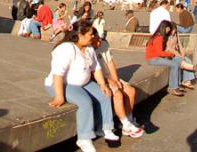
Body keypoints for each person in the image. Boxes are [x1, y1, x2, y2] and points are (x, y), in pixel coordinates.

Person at [44, 20, 119, 152]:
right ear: (80, 35)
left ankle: (105, 128)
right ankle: (84, 138)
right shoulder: (66, 49)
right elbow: (58, 75)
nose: (93, 37)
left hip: (83, 83)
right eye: (90, 34)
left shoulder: (89, 48)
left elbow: (96, 69)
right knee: (85, 102)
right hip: (63, 84)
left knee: (105, 94)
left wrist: (102, 85)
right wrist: (59, 97)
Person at [91, 30, 144, 138]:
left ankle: (128, 120)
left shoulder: (103, 44)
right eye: (95, 42)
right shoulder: (87, 49)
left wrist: (116, 80)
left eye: (99, 40)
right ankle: (126, 124)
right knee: (118, 94)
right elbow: (92, 73)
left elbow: (110, 63)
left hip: (107, 76)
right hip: (97, 78)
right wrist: (110, 82)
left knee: (131, 91)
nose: (98, 44)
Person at [145, 20, 197, 97]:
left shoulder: (158, 36)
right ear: (164, 28)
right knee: (174, 64)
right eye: (168, 28)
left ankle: (178, 84)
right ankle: (173, 87)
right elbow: (159, 53)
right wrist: (170, 54)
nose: (169, 30)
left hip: (156, 57)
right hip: (153, 59)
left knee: (178, 61)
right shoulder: (159, 37)